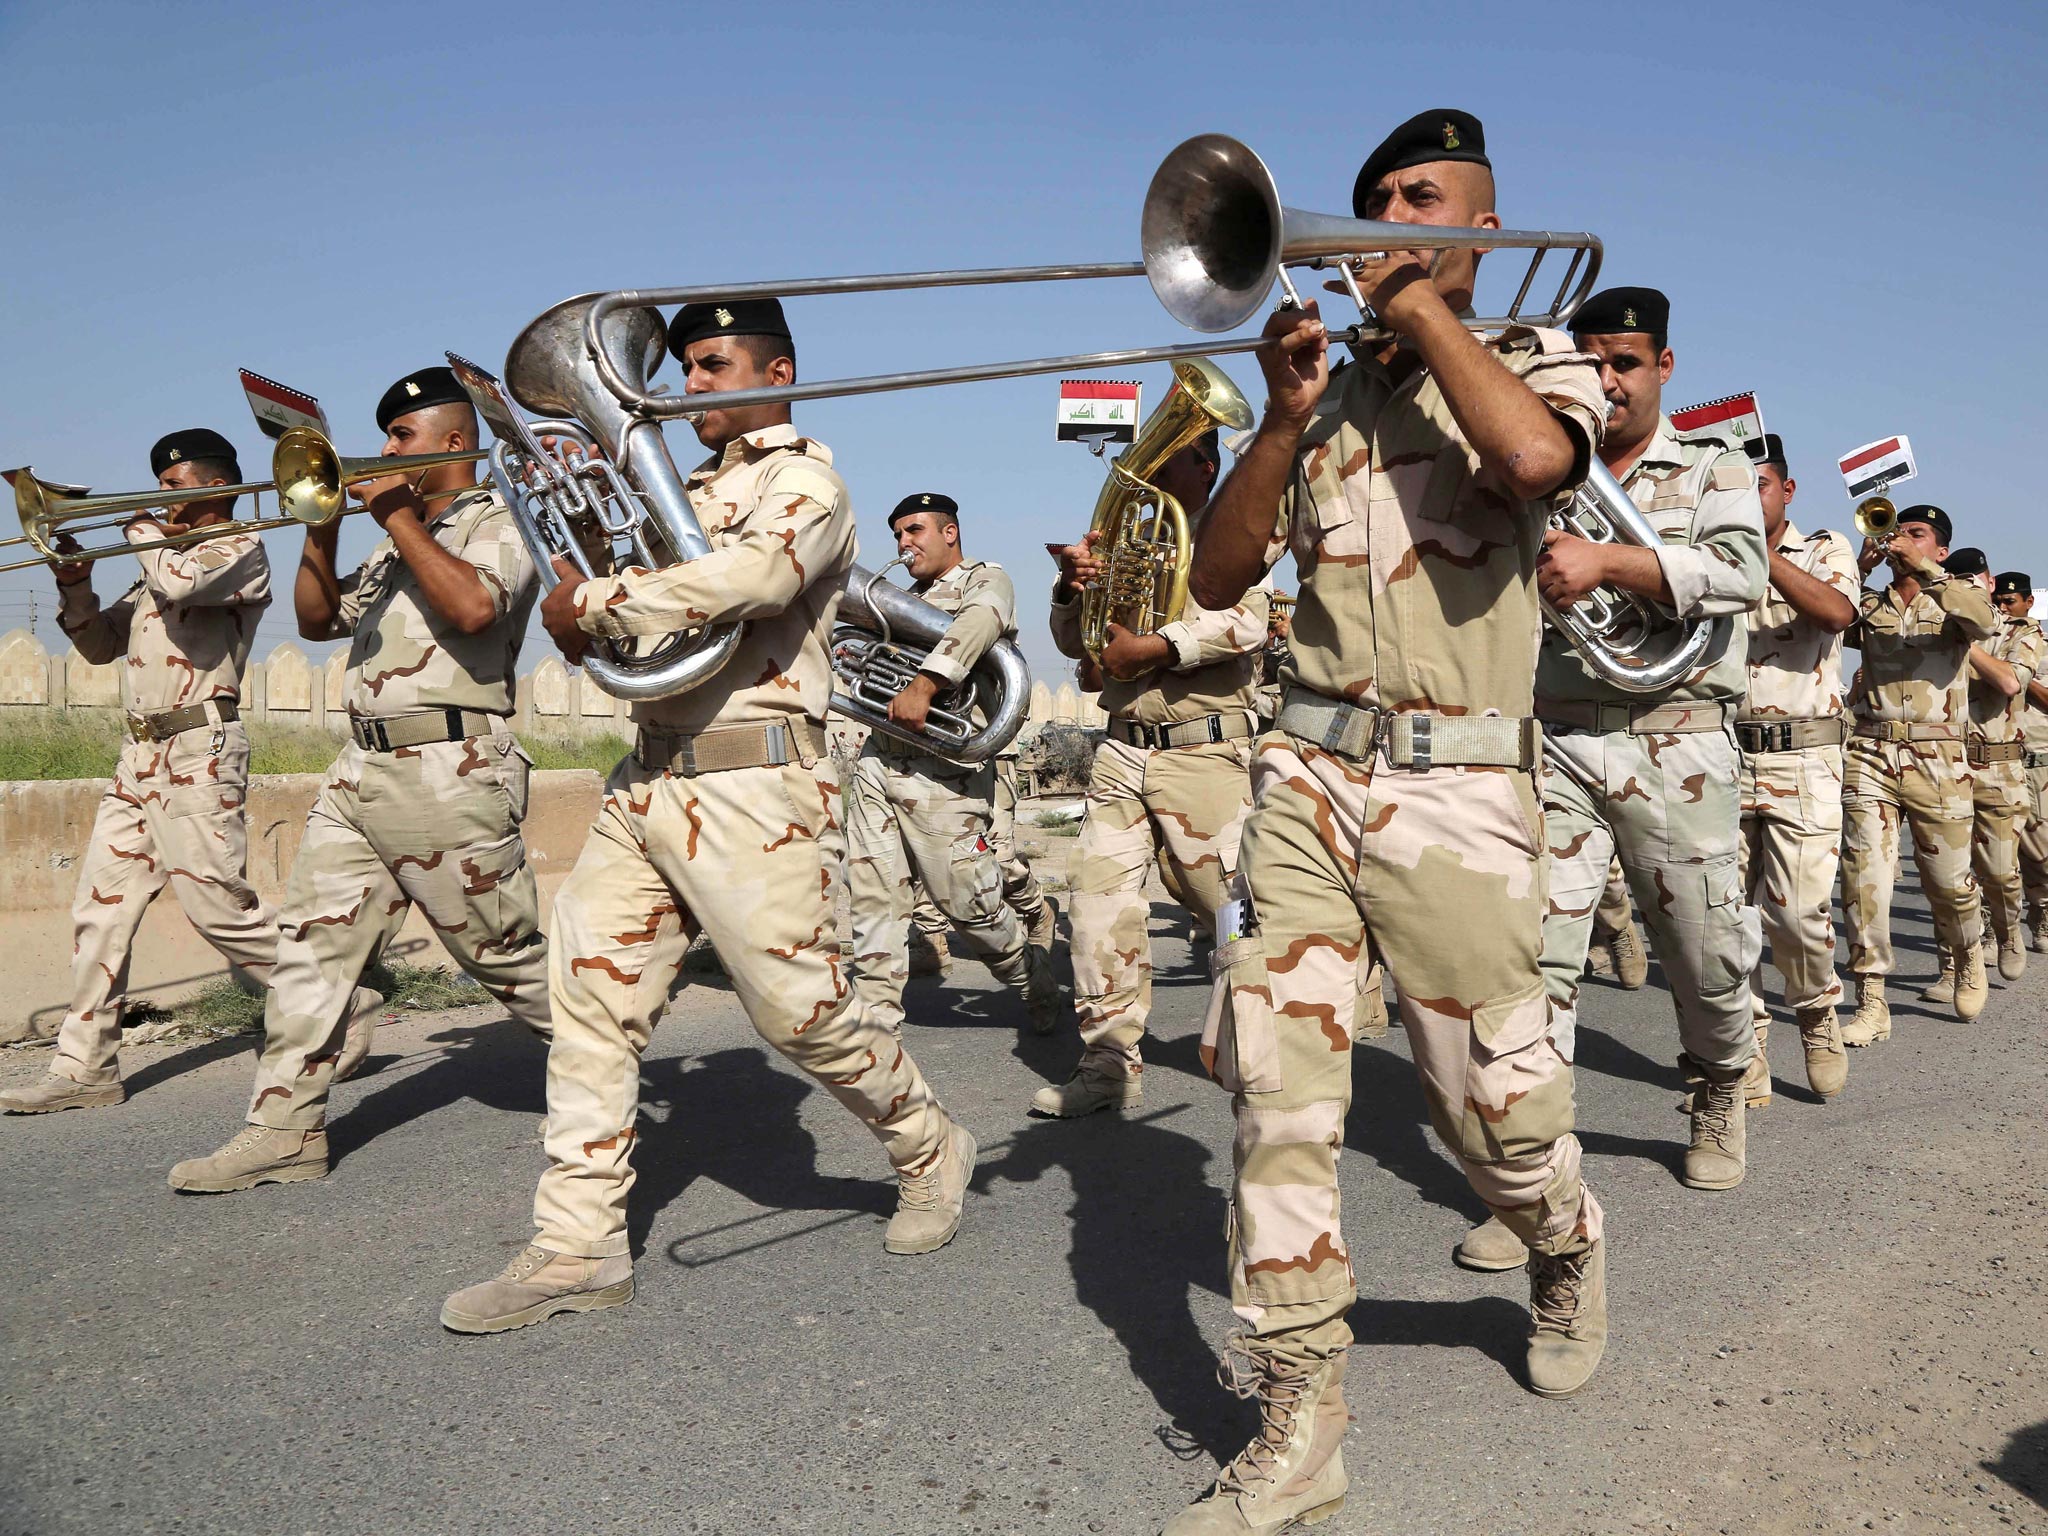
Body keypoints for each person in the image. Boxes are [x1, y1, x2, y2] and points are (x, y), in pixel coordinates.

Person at [1170, 109, 1611, 1535]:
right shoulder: (1331, 399)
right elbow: (1222, 582)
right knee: (1274, 1091)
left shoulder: (1534, 358)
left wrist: (1421, 306)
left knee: (1494, 1104)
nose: (1377, 223)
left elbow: (1537, 468)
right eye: (1368, 208)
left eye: (1419, 202)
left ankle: (1563, 1236)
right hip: (1299, 779)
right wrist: (1286, 418)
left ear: (1480, 231)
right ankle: (1301, 1411)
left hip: (1459, 788)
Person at [441, 299, 975, 1334]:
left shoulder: (806, 481)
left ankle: (925, 1144)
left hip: (757, 789)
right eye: (680, 368)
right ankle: (577, 1247)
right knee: (590, 1003)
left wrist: (598, 606)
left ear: (775, 370)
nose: (685, 388)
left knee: (803, 1018)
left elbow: (753, 576)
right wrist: (585, 587)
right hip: (646, 780)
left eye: (710, 366)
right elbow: (620, 604)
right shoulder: (676, 487)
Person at [168, 369, 551, 1192]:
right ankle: (283, 1130)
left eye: (402, 437)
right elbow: (315, 621)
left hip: (450, 769)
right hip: (361, 769)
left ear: (454, 442)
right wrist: (324, 528)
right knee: (312, 949)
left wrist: (395, 515)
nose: (383, 452)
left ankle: (611, 1064)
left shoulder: (499, 522)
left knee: (506, 958)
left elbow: (476, 610)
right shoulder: (394, 534)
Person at [1466, 282, 1767, 1295]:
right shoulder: (1538, 462)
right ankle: (1534, 1187)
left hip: (1675, 740)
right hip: (1553, 739)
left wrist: (1607, 561)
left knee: (1704, 952)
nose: (1603, 382)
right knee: (1532, 968)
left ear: (1662, 368)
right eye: (1589, 362)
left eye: (1624, 365)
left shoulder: (1713, 465)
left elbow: (1738, 579)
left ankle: (1718, 1080)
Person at [1, 430, 278, 1114]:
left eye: (175, 487)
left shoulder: (239, 548)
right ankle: (85, 1068)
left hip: (199, 752)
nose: (161, 500)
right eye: (158, 488)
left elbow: (178, 580)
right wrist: (76, 588)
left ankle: (333, 998)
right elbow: (100, 647)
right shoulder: (159, 557)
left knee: (219, 908)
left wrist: (137, 526)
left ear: (222, 488)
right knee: (99, 909)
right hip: (139, 756)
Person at [1034, 430, 1267, 1116]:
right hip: (1121, 752)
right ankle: (1108, 1063)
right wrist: (1073, 592)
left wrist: (1159, 646)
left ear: (1206, 465)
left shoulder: (1241, 531)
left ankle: (1259, 1049)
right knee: (1098, 908)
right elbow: (1074, 643)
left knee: (1233, 914)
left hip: (1206, 755)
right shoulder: (1129, 548)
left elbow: (1250, 624)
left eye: (1162, 461)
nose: (1142, 476)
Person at [844, 492, 1059, 1041]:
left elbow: (983, 620)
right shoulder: (890, 598)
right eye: (896, 535)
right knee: (874, 898)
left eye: (914, 530)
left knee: (972, 909)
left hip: (945, 773)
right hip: (879, 762)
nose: (903, 544)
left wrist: (925, 682)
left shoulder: (985, 579)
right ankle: (878, 1029)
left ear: (950, 533)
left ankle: (1036, 986)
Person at [1838, 504, 1999, 1044]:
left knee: (1950, 883)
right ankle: (1872, 1000)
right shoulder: (1869, 603)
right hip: (1871, 752)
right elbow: (1827, 619)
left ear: (1941, 549)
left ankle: (1967, 954)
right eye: (1894, 531)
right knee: (1865, 879)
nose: (1900, 540)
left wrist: (1928, 575)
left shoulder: (1954, 596)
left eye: (1915, 534)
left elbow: (1983, 621)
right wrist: (1856, 569)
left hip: (1939, 758)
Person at [1732, 433, 1857, 1106]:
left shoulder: (1825, 548)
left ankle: (1815, 1012)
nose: (1746, 499)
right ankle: (1746, 1043)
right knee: (1726, 918)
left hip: (1803, 757)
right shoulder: (1708, 548)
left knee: (1797, 913)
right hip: (1721, 755)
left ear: (1786, 491)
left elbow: (1836, 612)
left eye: (1757, 486)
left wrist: (1758, 556)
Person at [1924, 549, 2041, 996]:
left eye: (1973, 577)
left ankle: (2009, 929)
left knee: (1998, 872)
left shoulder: (2019, 630)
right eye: (1956, 578)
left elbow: (2012, 681)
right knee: (1944, 874)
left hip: (1998, 764)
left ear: (1989, 583)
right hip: (1944, 764)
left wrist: (1965, 643)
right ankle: (1955, 964)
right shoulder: (1935, 622)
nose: (1966, 584)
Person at [1999, 572, 2048, 949]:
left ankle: (2042, 912)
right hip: (1992, 762)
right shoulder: (1983, 643)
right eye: (1997, 601)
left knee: (2041, 856)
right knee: (1987, 858)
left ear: (2029, 603)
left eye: (2010, 602)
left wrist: (2018, 673)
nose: (2003, 608)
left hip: (2037, 766)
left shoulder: (2043, 648)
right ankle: (1990, 930)